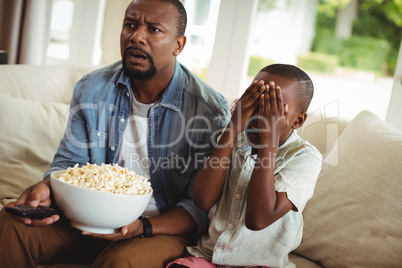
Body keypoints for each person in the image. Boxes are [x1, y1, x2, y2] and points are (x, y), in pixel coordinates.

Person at [0, 0, 230, 267]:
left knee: (122, 262)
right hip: (84, 217)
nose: (136, 37)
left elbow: (199, 208)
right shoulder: (92, 88)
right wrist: (46, 186)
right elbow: (68, 163)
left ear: (178, 45)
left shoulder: (208, 110)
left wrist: (141, 227)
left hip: (155, 229)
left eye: (153, 29)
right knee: (10, 225)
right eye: (130, 25)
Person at [167, 64, 323, 268]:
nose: (260, 117)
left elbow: (258, 220)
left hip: (262, 264)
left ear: (298, 120)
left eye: (274, 111)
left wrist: (269, 143)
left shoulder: (305, 158)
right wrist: (233, 127)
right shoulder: (235, 139)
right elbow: (202, 200)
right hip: (208, 256)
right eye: (255, 103)